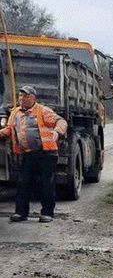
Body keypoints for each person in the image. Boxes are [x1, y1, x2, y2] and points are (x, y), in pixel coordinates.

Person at [0, 85, 67, 223]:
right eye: (20, 96)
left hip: (46, 154)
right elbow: (9, 130)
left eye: (24, 96)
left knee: (46, 184)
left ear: (32, 98)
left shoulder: (43, 111)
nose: (21, 99)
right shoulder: (15, 113)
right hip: (27, 154)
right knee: (23, 183)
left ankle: (47, 213)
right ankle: (21, 213)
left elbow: (61, 121)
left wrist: (57, 132)